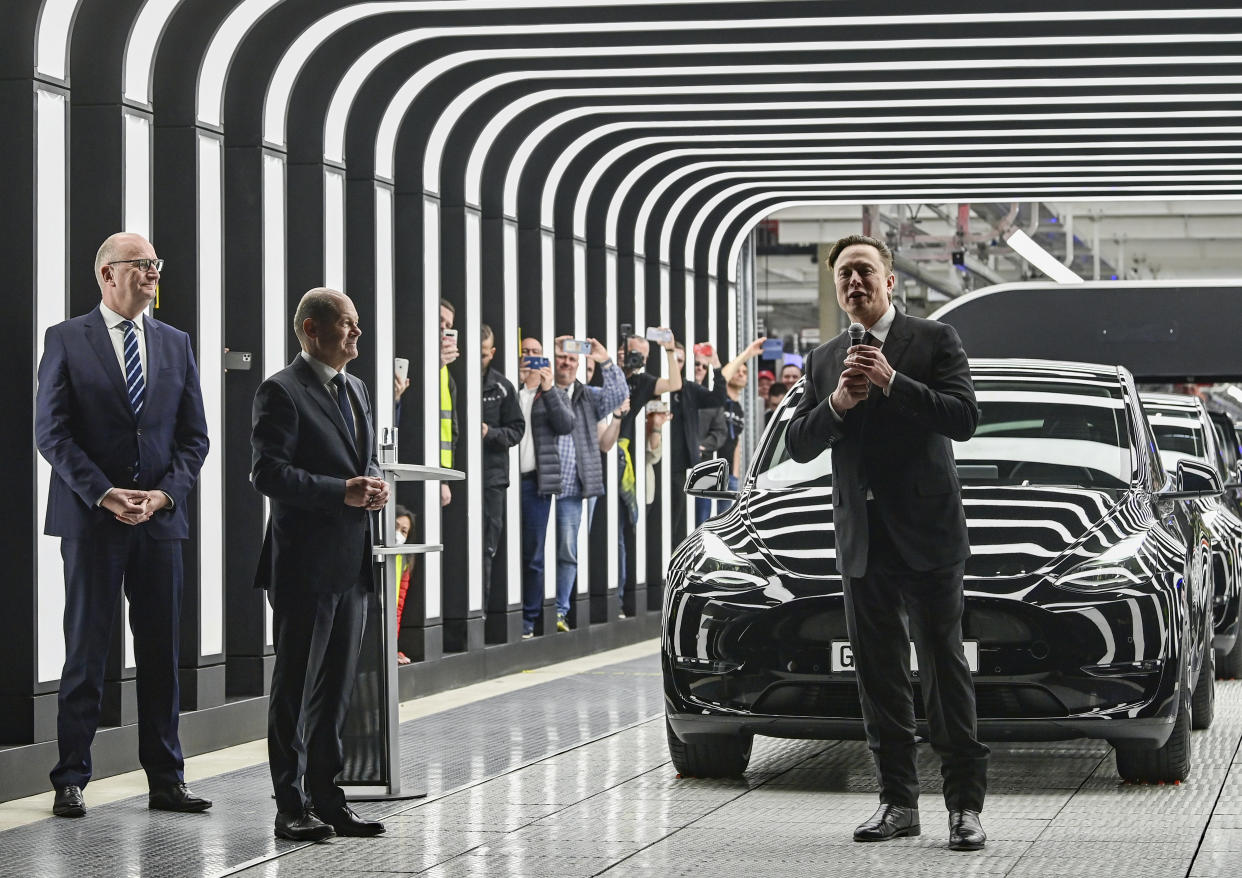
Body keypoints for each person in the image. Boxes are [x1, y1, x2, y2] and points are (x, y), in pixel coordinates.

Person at [786, 234, 987, 852]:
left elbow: (964, 419)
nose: (854, 283)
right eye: (844, 274)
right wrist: (840, 402)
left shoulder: (932, 342)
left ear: (890, 280)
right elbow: (798, 443)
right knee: (878, 677)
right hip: (862, 541)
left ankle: (964, 809)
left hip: (927, 537)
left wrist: (894, 381)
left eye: (865, 271)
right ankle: (897, 802)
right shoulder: (823, 361)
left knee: (943, 670)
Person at [35, 232, 211, 819]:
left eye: (156, 264)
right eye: (142, 265)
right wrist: (105, 494)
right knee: (87, 650)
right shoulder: (65, 339)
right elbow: (52, 434)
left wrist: (163, 495)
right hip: (92, 522)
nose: (153, 273)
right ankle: (70, 778)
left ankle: (166, 778)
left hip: (160, 524)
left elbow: (194, 438)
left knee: (161, 651)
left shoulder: (175, 342)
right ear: (107, 274)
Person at [252, 288, 389, 842]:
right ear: (312, 329)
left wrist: (373, 485)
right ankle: (291, 805)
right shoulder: (280, 391)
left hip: (352, 563)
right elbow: (268, 474)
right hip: (304, 566)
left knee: (336, 691)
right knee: (294, 689)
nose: (357, 334)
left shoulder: (356, 388)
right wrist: (342, 492)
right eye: (348, 325)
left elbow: (366, 456)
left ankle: (330, 800)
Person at [548, 336, 628, 631]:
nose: (565, 362)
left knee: (567, 551)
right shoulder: (540, 389)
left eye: (571, 359)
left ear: (579, 363)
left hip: (574, 488)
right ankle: (538, 608)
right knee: (536, 550)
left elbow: (620, 395)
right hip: (539, 485)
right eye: (560, 356)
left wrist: (604, 359)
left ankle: (559, 610)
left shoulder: (587, 396)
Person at [615, 330, 681, 614]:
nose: (632, 359)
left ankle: (622, 596)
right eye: (629, 352)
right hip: (604, 448)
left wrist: (669, 350)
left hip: (628, 461)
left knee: (626, 529)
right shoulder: (605, 374)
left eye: (640, 356)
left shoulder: (641, 382)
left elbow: (674, 383)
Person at [515, 336, 570, 638]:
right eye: (527, 353)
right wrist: (521, 382)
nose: (532, 359)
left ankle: (529, 618)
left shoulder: (552, 394)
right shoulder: (510, 389)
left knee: (533, 554)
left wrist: (547, 389)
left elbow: (565, 424)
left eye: (537, 354)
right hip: (508, 481)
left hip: (537, 482)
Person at [479, 324, 525, 618]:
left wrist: (489, 433)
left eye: (484, 355)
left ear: (492, 353)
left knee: (487, 545)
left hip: (492, 480)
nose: (479, 360)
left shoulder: (502, 387)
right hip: (461, 479)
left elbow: (518, 430)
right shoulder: (450, 378)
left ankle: (480, 611)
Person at [393, 505, 414, 665]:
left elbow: (397, 610)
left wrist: (392, 648)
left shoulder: (405, 562)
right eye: (395, 526)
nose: (398, 534)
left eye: (404, 531)